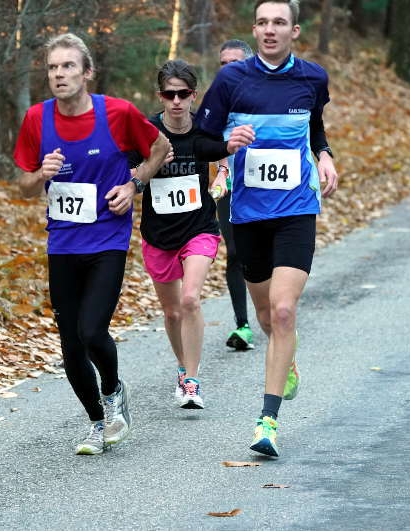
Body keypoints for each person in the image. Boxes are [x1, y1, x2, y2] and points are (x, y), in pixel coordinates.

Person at [13, 33, 170, 455]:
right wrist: (40, 174)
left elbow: (160, 146)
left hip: (106, 239)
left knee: (92, 329)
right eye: (52, 67)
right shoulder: (36, 120)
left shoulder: (117, 113)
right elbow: (24, 186)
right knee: (69, 349)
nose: (59, 75)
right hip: (62, 243)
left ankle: (114, 390)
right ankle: (97, 423)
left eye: (68, 67)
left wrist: (134, 184)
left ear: (87, 73)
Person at [195, 0, 338, 457]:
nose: (270, 30)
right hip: (249, 213)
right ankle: (287, 361)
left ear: (294, 30)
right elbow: (200, 139)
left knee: (282, 312)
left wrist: (326, 154)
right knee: (263, 314)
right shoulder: (231, 80)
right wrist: (225, 144)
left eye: (279, 23)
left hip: (296, 209)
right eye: (262, 23)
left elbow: (314, 124)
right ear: (254, 30)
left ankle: (268, 421)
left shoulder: (313, 77)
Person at [136, 59, 254, 409]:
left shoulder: (204, 126)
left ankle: (191, 379)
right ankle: (182, 367)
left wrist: (230, 150)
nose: (176, 101)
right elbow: (132, 176)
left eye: (183, 94)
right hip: (158, 234)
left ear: (193, 95)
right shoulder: (147, 131)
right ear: (160, 96)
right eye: (169, 94)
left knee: (190, 299)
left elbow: (217, 150)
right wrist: (154, 162)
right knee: (172, 313)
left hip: (199, 228)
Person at [216, 39, 256, 351]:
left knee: (264, 255)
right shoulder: (215, 102)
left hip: (265, 188)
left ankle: (273, 314)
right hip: (229, 188)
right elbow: (205, 141)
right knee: (235, 253)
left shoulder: (264, 98)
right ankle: (243, 325)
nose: (227, 69)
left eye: (234, 63)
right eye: (222, 64)